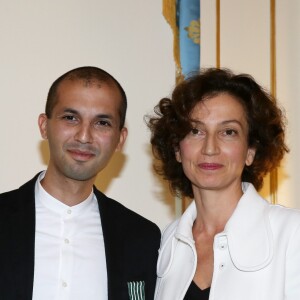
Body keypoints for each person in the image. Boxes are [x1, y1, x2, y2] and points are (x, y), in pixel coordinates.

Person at [0, 66, 161, 300]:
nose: (84, 136)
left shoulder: (141, 238)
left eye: (102, 123)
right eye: (70, 118)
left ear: (120, 139)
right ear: (44, 126)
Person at [147, 68, 300, 299]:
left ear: (251, 151)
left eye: (228, 132)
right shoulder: (170, 240)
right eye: (195, 131)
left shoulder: (291, 233)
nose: (210, 148)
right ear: (177, 149)